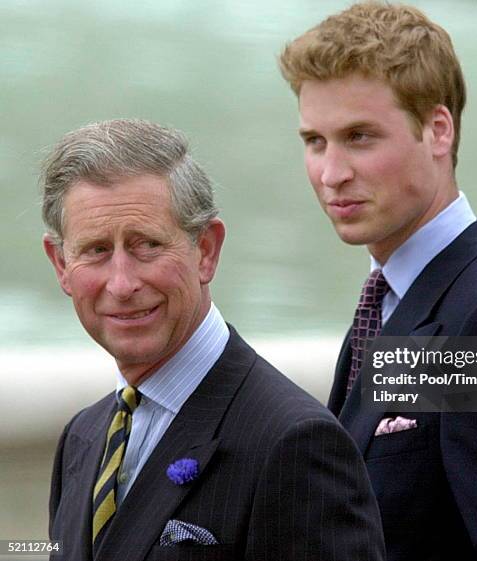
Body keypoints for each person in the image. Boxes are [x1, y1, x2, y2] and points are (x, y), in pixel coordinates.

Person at [279, 3, 477, 560]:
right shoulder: (389, 303)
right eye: (315, 141)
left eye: (359, 136)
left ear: (437, 130)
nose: (331, 173)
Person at [42, 119, 385, 561]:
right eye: (96, 251)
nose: (122, 283)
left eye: (146, 244)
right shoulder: (83, 438)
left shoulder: (294, 443)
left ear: (206, 251)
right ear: (60, 265)